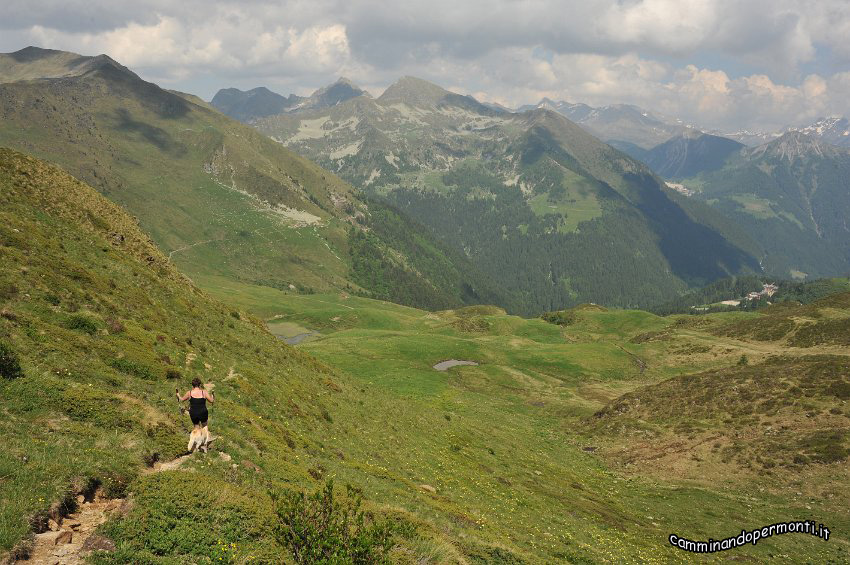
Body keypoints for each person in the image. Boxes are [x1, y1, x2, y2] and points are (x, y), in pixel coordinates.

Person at [176, 377, 214, 452]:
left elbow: (182, 400)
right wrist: (213, 395)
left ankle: (196, 447)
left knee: (196, 428)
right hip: (203, 412)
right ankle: (205, 445)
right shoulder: (204, 392)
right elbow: (211, 401)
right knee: (205, 427)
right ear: (199, 385)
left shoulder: (189, 393)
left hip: (193, 412)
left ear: (192, 385)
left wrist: (177, 394)